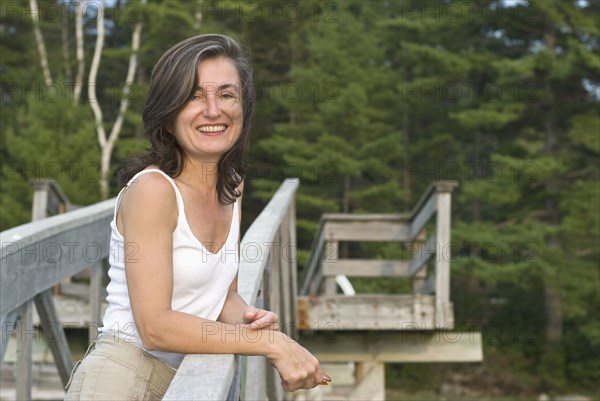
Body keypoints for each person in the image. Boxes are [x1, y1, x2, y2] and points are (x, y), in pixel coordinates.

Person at [65, 34, 331, 400]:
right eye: (193, 96)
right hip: (122, 381)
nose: (212, 110)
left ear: (243, 107)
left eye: (226, 94)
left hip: (188, 381)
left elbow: (220, 295)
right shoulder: (153, 192)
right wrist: (274, 347)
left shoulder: (232, 184)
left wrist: (250, 321)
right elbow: (154, 327)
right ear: (168, 113)